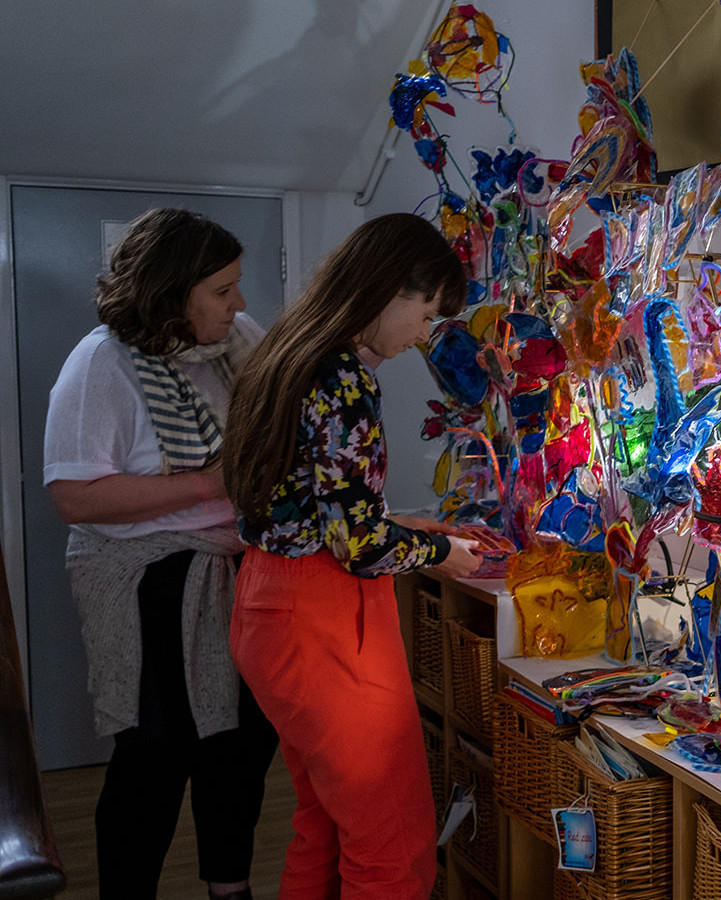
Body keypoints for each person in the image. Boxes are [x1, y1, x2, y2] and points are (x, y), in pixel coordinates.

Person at [221, 213, 481, 900]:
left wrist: (393, 520)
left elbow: (304, 503)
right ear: (387, 290)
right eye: (425, 314)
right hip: (322, 618)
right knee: (389, 838)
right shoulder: (343, 380)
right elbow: (359, 548)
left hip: (268, 602)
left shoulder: (289, 351)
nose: (424, 336)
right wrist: (439, 550)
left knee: (327, 822)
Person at [42, 207, 281, 900]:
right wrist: (214, 481)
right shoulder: (102, 364)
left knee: (237, 749)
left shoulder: (235, 340)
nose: (239, 302)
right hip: (151, 580)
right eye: (221, 289)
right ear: (171, 292)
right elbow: (76, 499)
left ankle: (228, 888)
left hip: (235, 568)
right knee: (155, 757)